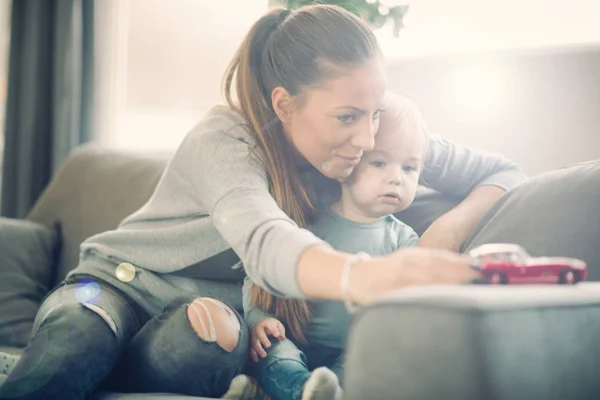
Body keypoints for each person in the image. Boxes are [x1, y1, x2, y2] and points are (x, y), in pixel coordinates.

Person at [0, 5, 526, 400]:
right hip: (117, 286)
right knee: (78, 336)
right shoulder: (226, 139)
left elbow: (504, 171)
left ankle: (94, 367)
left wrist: (447, 234)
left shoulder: (376, 136)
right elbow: (263, 239)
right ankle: (70, 350)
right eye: (347, 117)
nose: (367, 139)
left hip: (204, 318)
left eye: (373, 113)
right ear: (284, 104)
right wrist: (363, 276)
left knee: (211, 344)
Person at [243, 94, 428, 400]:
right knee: (273, 353)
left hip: (353, 351)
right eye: (380, 163)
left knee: (361, 368)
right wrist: (258, 319)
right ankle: (298, 390)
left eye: (409, 168)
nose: (396, 178)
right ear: (347, 164)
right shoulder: (308, 224)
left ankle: (290, 394)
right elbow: (258, 273)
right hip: (290, 336)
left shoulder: (404, 242)